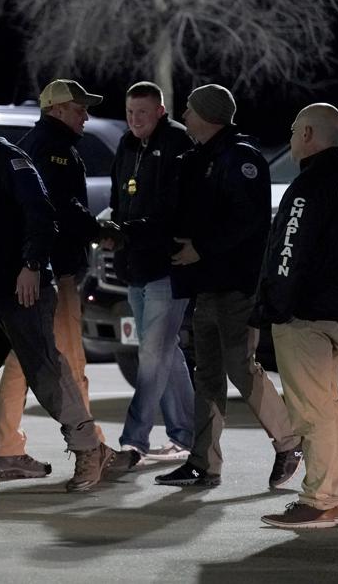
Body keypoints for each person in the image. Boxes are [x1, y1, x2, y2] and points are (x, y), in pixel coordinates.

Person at [0, 87, 121, 492]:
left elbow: (42, 216)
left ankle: (88, 449)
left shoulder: (8, 160)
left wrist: (32, 266)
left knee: (46, 373)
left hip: (18, 292)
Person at [157, 84, 302, 489]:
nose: (184, 114)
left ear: (209, 114)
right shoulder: (201, 158)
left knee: (241, 366)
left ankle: (289, 441)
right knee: (207, 373)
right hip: (207, 284)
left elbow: (249, 223)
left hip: (236, 284)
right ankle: (204, 463)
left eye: (190, 108)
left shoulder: (241, 159)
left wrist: (200, 249)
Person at [0, 78, 120, 481]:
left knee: (21, 359)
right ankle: (92, 447)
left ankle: (7, 446)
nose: (85, 115)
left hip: (31, 270)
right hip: (55, 269)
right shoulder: (55, 150)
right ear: (58, 109)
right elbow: (63, 209)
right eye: (79, 108)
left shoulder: (30, 145)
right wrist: (104, 232)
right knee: (69, 361)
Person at [253, 104, 338, 528]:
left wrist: (275, 307)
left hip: (306, 314)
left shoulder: (307, 188)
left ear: (306, 134)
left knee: (312, 412)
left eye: (292, 130)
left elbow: (288, 253)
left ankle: (319, 501)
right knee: (329, 407)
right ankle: (328, 497)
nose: (289, 137)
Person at [106, 82, 195, 464]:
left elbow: (172, 208)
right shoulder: (127, 145)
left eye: (142, 112)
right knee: (164, 352)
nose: (134, 120)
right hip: (134, 267)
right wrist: (113, 230)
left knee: (153, 354)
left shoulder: (177, 143)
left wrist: (129, 231)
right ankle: (186, 435)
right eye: (129, 112)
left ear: (160, 110)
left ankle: (134, 440)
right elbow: (116, 198)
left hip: (165, 266)